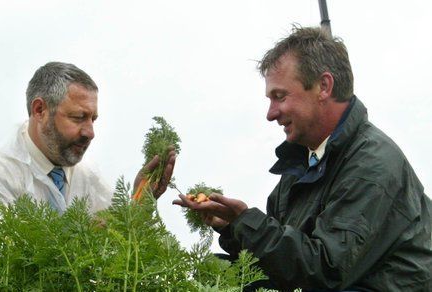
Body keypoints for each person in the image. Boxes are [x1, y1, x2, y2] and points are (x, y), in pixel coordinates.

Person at [174, 26, 432, 291]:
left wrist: (247, 222)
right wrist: (233, 226)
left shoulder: (371, 163)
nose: (271, 114)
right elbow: (282, 263)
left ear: (323, 86)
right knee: (215, 270)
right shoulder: (304, 162)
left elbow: (325, 271)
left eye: (280, 96)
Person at [0, 62, 175, 213]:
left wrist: (139, 205)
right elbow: (5, 267)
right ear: (39, 110)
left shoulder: (89, 177)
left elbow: (120, 245)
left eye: (93, 119)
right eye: (78, 117)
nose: (90, 133)